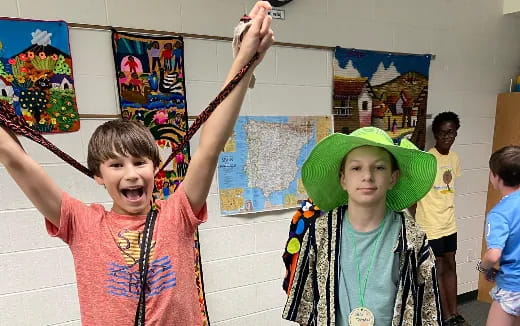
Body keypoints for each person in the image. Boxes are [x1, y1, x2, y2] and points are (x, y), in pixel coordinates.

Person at [0, 2, 274, 325]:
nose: (131, 174)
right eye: (116, 165)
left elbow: (210, 147)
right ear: (97, 175)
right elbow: (16, 160)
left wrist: (245, 61)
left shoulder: (178, 216)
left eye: (140, 162)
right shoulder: (81, 224)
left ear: (155, 167)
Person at [282, 126, 442, 325]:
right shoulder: (320, 232)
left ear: (393, 178)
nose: (367, 176)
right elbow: (306, 309)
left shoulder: (412, 237)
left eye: (379, 167)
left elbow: (429, 310)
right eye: (356, 168)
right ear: (343, 179)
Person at [414, 111, 464, 325]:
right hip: (430, 225)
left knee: (451, 264)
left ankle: (455, 312)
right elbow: (413, 198)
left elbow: (448, 189)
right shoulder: (427, 160)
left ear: (456, 133)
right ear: (435, 134)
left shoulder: (454, 159)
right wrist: (421, 218)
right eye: (443, 133)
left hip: (449, 223)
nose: (447, 137)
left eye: (451, 132)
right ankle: (446, 316)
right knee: (439, 267)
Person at [479, 146, 520, 326]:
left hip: (512, 286)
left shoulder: (499, 214)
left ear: (495, 176)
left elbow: (493, 254)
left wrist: (483, 268)